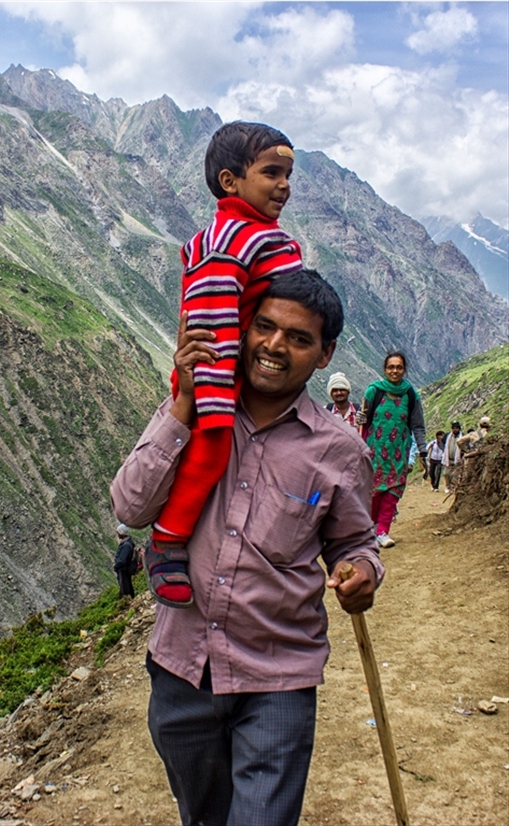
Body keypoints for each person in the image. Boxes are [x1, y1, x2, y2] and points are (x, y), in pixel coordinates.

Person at [111, 269, 383, 826]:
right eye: (264, 327)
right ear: (244, 327)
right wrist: (184, 405)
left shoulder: (340, 450)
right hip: (182, 668)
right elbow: (130, 508)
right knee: (203, 817)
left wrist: (361, 572)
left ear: (325, 353)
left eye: (299, 338)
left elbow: (354, 542)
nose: (275, 347)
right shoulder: (193, 412)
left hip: (278, 676)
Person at [148, 121, 304, 609]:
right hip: (211, 374)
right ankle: (167, 541)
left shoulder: (254, 234)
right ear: (230, 182)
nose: (284, 185)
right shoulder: (231, 240)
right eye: (271, 172)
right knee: (211, 453)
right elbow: (211, 318)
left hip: (228, 373)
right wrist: (209, 399)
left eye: (288, 174)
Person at [357, 350, 427, 548]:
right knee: (374, 493)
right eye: (391, 367)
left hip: (398, 454)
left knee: (392, 494)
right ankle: (370, 529)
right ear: (384, 369)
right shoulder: (373, 391)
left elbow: (418, 426)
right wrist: (361, 420)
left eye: (399, 367)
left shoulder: (410, 394)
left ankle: (383, 532)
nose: (394, 371)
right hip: (374, 453)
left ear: (404, 370)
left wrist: (422, 450)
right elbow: (364, 420)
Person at [113, 524, 137, 598]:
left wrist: (116, 566)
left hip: (124, 570)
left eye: (118, 532)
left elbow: (122, 560)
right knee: (127, 584)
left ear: (121, 533)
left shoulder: (126, 545)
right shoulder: (128, 543)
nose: (117, 534)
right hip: (125, 569)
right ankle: (131, 598)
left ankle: (127, 600)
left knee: (125, 586)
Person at [442, 420, 462, 493]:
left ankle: (453, 487)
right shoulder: (447, 436)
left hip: (457, 459)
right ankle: (447, 486)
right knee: (446, 473)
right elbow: (442, 444)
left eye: (456, 428)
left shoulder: (462, 437)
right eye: (453, 428)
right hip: (448, 458)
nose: (455, 429)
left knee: (455, 475)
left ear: (459, 429)